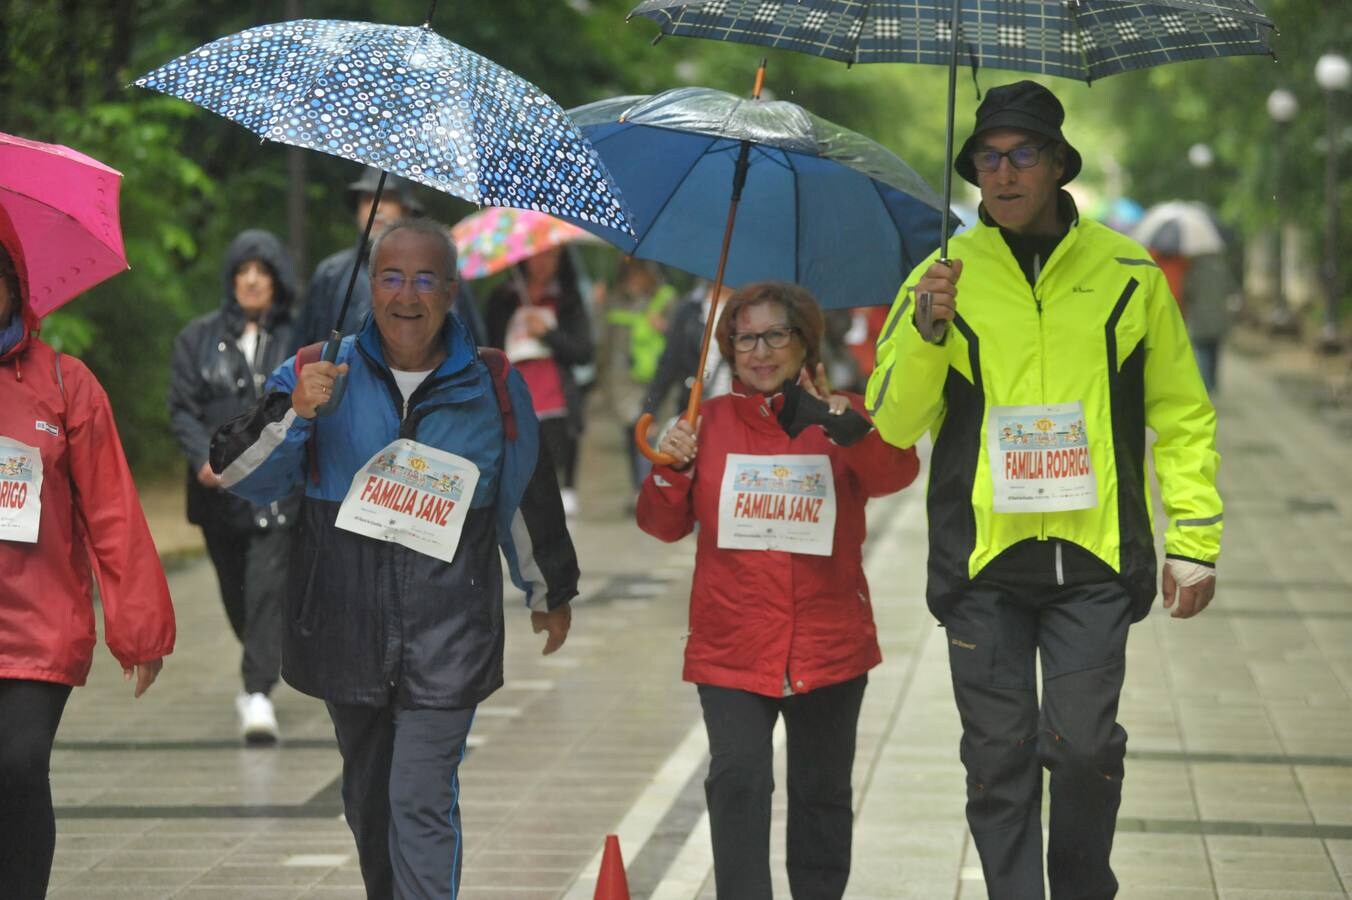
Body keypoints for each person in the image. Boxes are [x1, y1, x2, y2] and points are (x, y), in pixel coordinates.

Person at [866, 81, 1222, 898]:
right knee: (997, 762)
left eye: (1023, 154)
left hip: (1095, 558)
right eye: (987, 159)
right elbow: (890, 423)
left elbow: (1181, 410)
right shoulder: (939, 277)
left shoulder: (1128, 272)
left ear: (1059, 164)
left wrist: (1194, 537)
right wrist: (928, 331)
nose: (1003, 173)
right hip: (982, 562)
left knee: (1085, 750)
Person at [210, 218, 576, 899]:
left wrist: (548, 589)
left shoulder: (491, 383)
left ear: (451, 290)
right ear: (371, 285)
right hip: (345, 626)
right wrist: (295, 412)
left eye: (426, 279)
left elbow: (526, 493)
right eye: (392, 277)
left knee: (419, 796)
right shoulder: (319, 369)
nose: (407, 295)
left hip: (450, 632)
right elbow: (237, 473)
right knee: (370, 801)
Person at [637, 281, 920, 899]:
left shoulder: (840, 413)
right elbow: (660, 525)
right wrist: (671, 467)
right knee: (738, 780)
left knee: (821, 793)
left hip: (830, 641)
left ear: (803, 343)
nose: (760, 352)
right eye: (745, 339)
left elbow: (898, 472)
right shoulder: (703, 423)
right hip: (731, 642)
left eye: (775, 335)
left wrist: (844, 428)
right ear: (728, 349)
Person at [0, 238, 175, 898]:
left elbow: (111, 512)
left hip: (40, 624)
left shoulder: (65, 383)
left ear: (15, 289)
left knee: (16, 766)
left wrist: (140, 628)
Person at [168, 229, 300, 743]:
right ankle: (263, 660)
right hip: (218, 496)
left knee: (268, 585)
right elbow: (181, 405)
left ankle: (257, 691)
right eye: (243, 270)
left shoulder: (297, 337)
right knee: (238, 595)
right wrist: (203, 454)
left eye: (262, 271)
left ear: (277, 281)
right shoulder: (196, 339)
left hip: (277, 491)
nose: (252, 280)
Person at [293, 167, 486, 351]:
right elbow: (301, 355)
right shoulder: (331, 273)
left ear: (408, 210)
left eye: (387, 198)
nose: (376, 207)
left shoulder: (442, 272)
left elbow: (472, 350)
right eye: (367, 198)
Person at [485, 246, 593, 517]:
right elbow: (487, 346)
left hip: (555, 399)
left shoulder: (567, 300)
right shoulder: (502, 299)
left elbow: (583, 352)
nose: (545, 263)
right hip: (514, 397)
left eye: (553, 256)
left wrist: (549, 334)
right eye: (539, 255)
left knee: (554, 467)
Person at [601, 258, 676, 494]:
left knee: (652, 433)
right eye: (630, 273)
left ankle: (652, 487)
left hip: (658, 380)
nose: (635, 278)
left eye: (640, 272)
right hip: (624, 381)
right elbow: (603, 341)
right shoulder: (614, 300)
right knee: (634, 431)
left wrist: (665, 327)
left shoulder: (667, 300)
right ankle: (641, 488)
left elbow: (683, 339)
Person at [1180, 251, 1238, 394]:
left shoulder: (1194, 272)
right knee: (1214, 351)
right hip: (1218, 318)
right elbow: (1231, 289)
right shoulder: (1221, 270)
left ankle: (1206, 386)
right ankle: (1212, 382)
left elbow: (1186, 292)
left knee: (1202, 351)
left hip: (1199, 319)